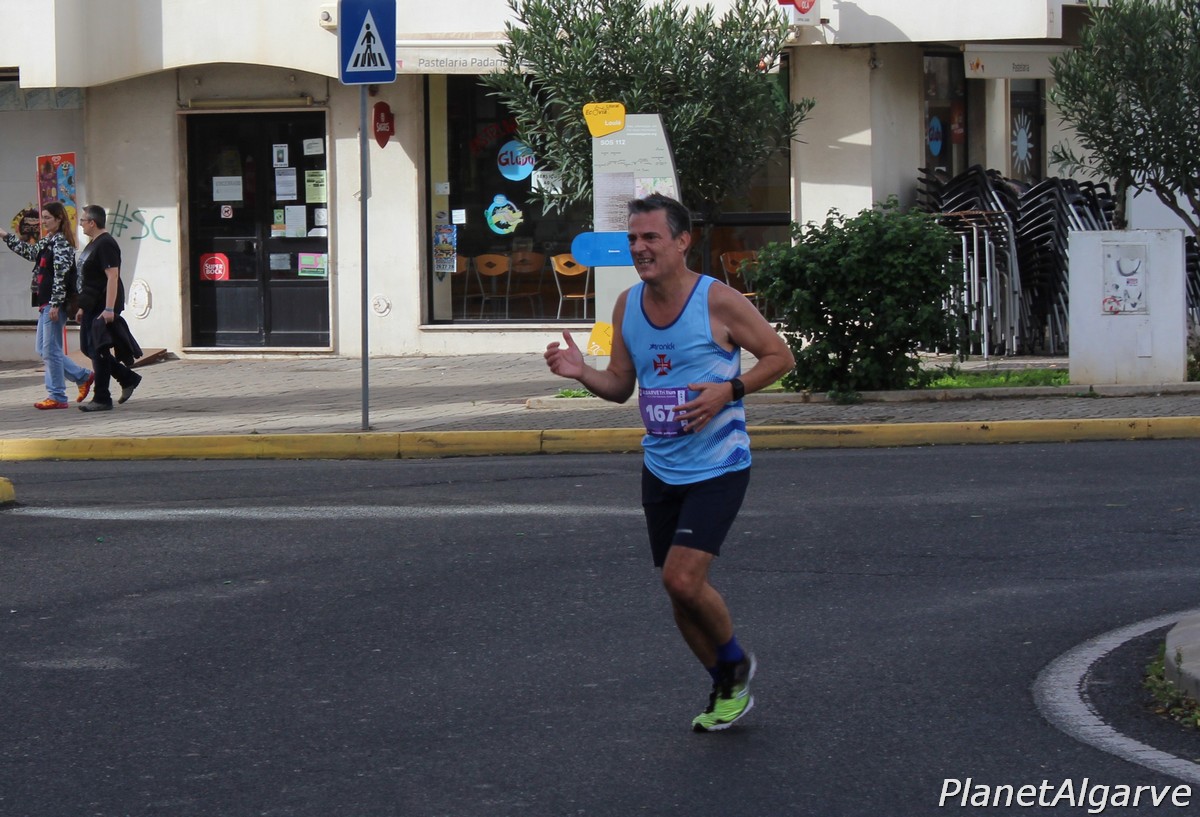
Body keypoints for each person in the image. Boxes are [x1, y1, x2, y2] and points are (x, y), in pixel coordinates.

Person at [544, 194, 795, 732]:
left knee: (683, 578)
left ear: (682, 242)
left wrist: (729, 390)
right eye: (633, 238)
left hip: (719, 464)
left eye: (650, 237)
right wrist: (581, 372)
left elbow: (781, 357)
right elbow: (620, 386)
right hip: (660, 467)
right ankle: (726, 685)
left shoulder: (718, 301)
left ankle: (735, 663)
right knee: (677, 591)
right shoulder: (627, 306)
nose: (639, 248)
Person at [0, 201, 94, 409]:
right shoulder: (49, 241)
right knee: (44, 350)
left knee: (50, 350)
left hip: (53, 304)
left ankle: (57, 396)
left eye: (47, 218)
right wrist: (5, 235)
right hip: (45, 303)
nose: (43, 221)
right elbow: (29, 252)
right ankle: (82, 376)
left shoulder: (61, 243)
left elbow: (61, 275)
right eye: (42, 217)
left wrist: (55, 304)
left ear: (59, 219)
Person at [76, 204, 142, 412]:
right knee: (89, 348)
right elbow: (90, 279)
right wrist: (82, 307)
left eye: (83, 221)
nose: (81, 224)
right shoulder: (93, 243)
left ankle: (102, 398)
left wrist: (109, 309)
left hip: (103, 305)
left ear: (92, 222)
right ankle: (127, 377)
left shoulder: (106, 244)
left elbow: (112, 276)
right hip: (91, 304)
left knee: (98, 349)